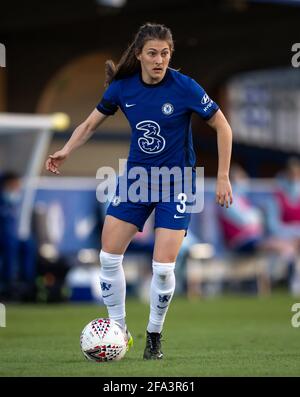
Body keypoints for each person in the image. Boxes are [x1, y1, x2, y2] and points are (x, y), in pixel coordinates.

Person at [46, 23, 233, 359]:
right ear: (139, 55)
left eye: (165, 53)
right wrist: (66, 150)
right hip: (136, 180)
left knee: (162, 268)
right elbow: (89, 124)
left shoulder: (185, 87)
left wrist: (222, 176)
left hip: (176, 182)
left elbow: (223, 125)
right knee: (108, 256)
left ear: (170, 55)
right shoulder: (122, 88)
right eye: (152, 53)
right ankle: (119, 330)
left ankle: (154, 336)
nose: (159, 59)